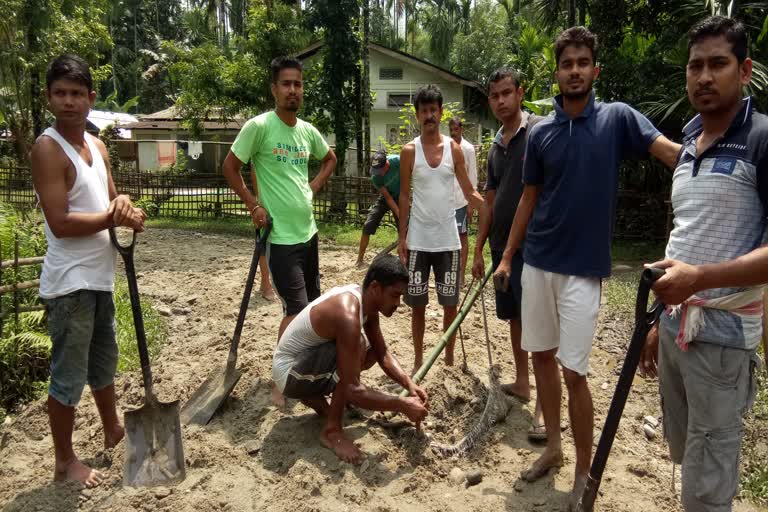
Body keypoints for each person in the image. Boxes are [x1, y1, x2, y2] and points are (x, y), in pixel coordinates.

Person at [492, 27, 680, 509]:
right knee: (540, 358)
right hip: (537, 264)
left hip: (583, 272)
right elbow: (529, 199)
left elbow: (671, 154)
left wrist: (716, 158)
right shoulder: (541, 133)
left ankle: (583, 473)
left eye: (582, 62)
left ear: (595, 70)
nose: (574, 70)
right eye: (566, 63)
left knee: (575, 372)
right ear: (556, 73)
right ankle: (552, 449)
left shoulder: (617, 119)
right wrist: (509, 255)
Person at [639, 16, 765, 512]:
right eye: (696, 66)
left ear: (745, 70)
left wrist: (701, 280)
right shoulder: (689, 144)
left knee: (707, 486)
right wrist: (659, 323)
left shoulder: (760, 140)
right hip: (675, 331)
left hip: (722, 342)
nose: (704, 77)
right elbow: (686, 238)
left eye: (718, 64)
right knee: (686, 453)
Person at [30, 54, 146, 488]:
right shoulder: (47, 149)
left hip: (99, 278)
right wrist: (112, 219)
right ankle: (65, 462)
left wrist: (128, 211)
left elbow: (113, 202)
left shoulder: (96, 147)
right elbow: (60, 223)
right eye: (60, 93)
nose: (69, 102)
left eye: (77, 94)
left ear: (90, 98)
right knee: (68, 376)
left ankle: (113, 428)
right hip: (70, 284)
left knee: (103, 363)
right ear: (49, 98)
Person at [223, 56, 337, 406]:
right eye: (286, 84)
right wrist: (253, 205)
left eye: (298, 84)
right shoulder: (259, 127)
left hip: (309, 233)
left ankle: (308, 372)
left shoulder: (306, 131)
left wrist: (313, 186)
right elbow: (230, 167)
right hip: (280, 238)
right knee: (296, 310)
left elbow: (330, 158)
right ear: (274, 89)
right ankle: (281, 380)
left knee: (314, 308)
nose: (293, 90)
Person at [272, 254, 429, 463]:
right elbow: (353, 391)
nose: (398, 303)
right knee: (358, 346)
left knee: (369, 350)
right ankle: (331, 431)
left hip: (305, 365)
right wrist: (402, 405)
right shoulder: (348, 314)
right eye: (394, 295)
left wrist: (408, 384)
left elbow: (382, 353)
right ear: (375, 288)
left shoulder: (366, 301)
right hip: (290, 374)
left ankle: (316, 399)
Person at [471, 67, 545, 442]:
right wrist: (480, 248)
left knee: (539, 321)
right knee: (515, 316)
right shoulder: (497, 145)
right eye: (494, 96)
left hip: (534, 245)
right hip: (501, 246)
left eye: (506, 93)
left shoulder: (539, 132)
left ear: (519, 92)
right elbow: (489, 200)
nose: (501, 101)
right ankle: (522, 381)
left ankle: (544, 408)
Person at [398, 84, 488, 373]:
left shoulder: (454, 149)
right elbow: (403, 196)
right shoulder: (409, 151)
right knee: (418, 305)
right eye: (423, 111)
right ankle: (416, 359)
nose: (429, 116)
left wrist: (484, 206)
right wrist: (402, 237)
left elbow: (467, 189)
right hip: (419, 241)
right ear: (417, 115)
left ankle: (448, 360)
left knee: (450, 303)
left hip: (449, 241)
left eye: (433, 110)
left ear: (440, 112)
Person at [355, 150, 401, 269]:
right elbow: (388, 198)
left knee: (404, 229)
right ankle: (359, 260)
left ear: (386, 164)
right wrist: (399, 213)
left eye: (380, 171)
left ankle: (404, 259)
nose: (378, 173)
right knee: (368, 225)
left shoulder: (397, 161)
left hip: (401, 197)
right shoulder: (376, 177)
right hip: (386, 197)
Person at [447, 117, 478, 285]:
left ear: (461, 129)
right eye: (451, 129)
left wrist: (471, 203)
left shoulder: (468, 149)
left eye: (456, 129)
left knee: (462, 237)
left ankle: (460, 278)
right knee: (447, 238)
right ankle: (448, 274)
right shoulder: (446, 147)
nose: (453, 132)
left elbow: (472, 176)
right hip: (446, 200)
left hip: (462, 200)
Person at [247, 163, 276, 301]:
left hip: (282, 199)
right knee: (262, 241)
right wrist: (259, 201)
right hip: (265, 201)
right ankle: (265, 282)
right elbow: (254, 169)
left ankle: (270, 281)